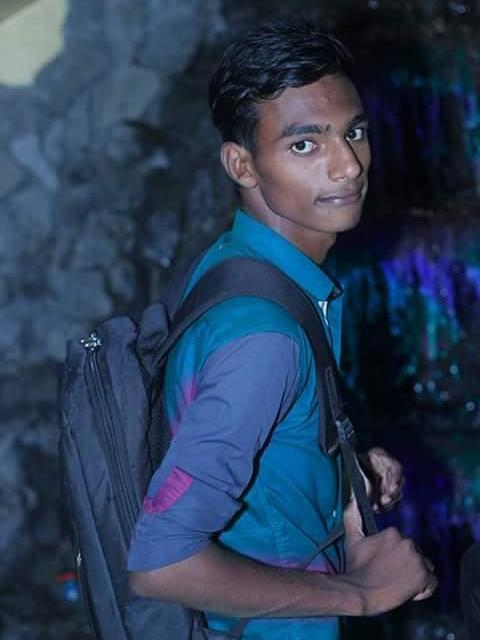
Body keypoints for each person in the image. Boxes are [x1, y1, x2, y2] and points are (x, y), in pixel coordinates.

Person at [127, 17, 437, 639]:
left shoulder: (236, 264)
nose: (348, 167)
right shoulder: (264, 337)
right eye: (304, 145)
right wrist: (362, 593)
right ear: (241, 164)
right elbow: (161, 563)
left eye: (354, 132)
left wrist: (336, 468)